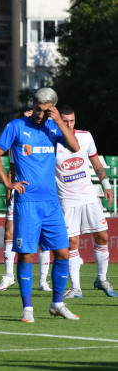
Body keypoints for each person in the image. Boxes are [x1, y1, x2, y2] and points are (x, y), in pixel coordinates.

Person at [0, 87, 81, 323]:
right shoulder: (16, 126)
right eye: (38, 109)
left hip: (51, 203)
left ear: (52, 109)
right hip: (27, 203)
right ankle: (27, 309)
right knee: (27, 256)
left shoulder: (53, 127)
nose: (40, 115)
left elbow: (75, 146)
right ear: (33, 105)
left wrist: (59, 120)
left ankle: (57, 304)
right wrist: (8, 183)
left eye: (45, 111)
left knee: (62, 253)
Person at [54, 105, 116, 298]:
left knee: (103, 237)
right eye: (65, 121)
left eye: (72, 121)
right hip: (67, 199)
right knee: (72, 242)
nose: (69, 124)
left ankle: (101, 278)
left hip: (88, 196)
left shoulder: (86, 136)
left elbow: (96, 162)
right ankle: (76, 287)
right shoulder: (51, 140)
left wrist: (106, 185)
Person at [0, 124, 52, 292]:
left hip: (42, 196)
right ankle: (9, 276)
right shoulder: (19, 142)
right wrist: (8, 189)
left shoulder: (48, 140)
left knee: (43, 238)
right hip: (20, 193)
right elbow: (11, 169)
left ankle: (43, 281)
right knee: (9, 232)